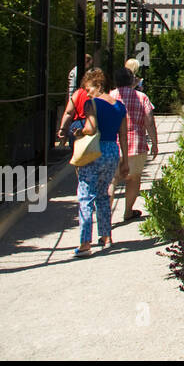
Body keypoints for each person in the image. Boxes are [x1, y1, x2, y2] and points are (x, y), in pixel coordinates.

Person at [71, 68, 130, 257]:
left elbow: (90, 128)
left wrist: (78, 132)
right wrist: (125, 161)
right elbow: (123, 135)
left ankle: (85, 242)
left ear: (97, 85)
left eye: (88, 88)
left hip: (94, 151)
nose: (86, 93)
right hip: (113, 150)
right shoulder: (120, 106)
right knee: (104, 194)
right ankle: (106, 236)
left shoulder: (92, 104)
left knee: (86, 196)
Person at [117, 62, 158, 222]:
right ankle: (128, 211)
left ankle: (105, 216)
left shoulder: (110, 97)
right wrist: (154, 142)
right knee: (134, 178)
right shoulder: (141, 97)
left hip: (114, 144)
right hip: (136, 143)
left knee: (112, 180)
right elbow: (149, 121)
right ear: (131, 80)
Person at [58, 67, 105, 146]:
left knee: (77, 154)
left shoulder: (78, 93)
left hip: (77, 126)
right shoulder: (102, 94)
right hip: (96, 126)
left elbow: (68, 113)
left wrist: (63, 129)